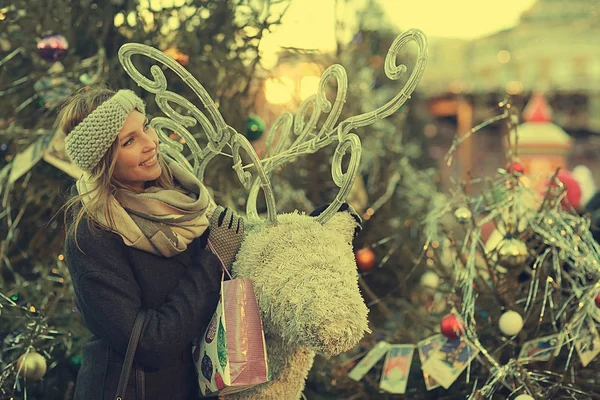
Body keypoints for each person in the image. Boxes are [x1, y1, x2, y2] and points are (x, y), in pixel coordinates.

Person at [59, 86, 243, 400]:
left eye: (145, 127)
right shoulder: (92, 235)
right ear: (103, 161)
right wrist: (214, 258)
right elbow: (149, 344)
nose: (151, 143)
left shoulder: (179, 200)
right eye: (129, 141)